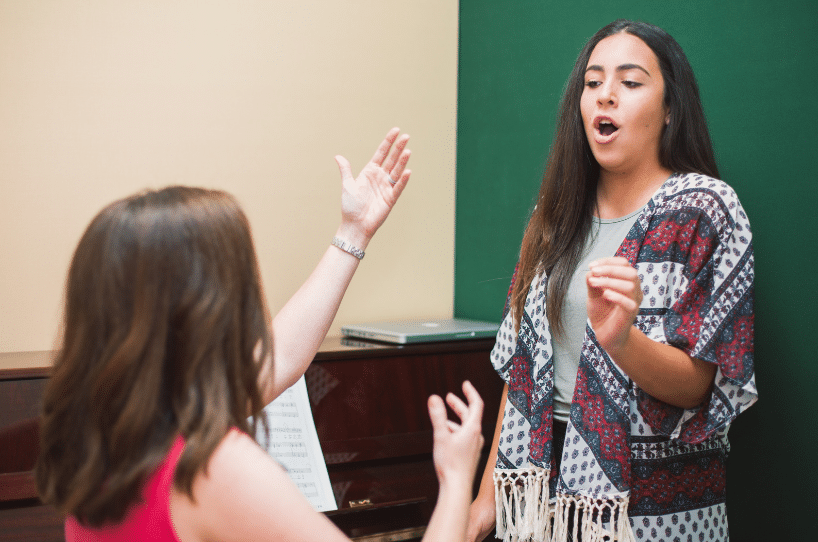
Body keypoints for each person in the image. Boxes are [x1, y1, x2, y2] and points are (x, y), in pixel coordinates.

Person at [35, 128, 486, 542]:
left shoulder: (101, 438)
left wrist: (354, 232)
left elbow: (283, 357)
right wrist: (455, 477)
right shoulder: (212, 469)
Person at [465, 20, 756, 542]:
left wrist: (622, 339)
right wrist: (484, 504)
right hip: (537, 500)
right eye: (593, 82)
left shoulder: (703, 208)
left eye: (630, 81)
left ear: (670, 109)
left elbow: (700, 386)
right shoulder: (552, 216)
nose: (606, 96)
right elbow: (519, 372)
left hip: (651, 512)